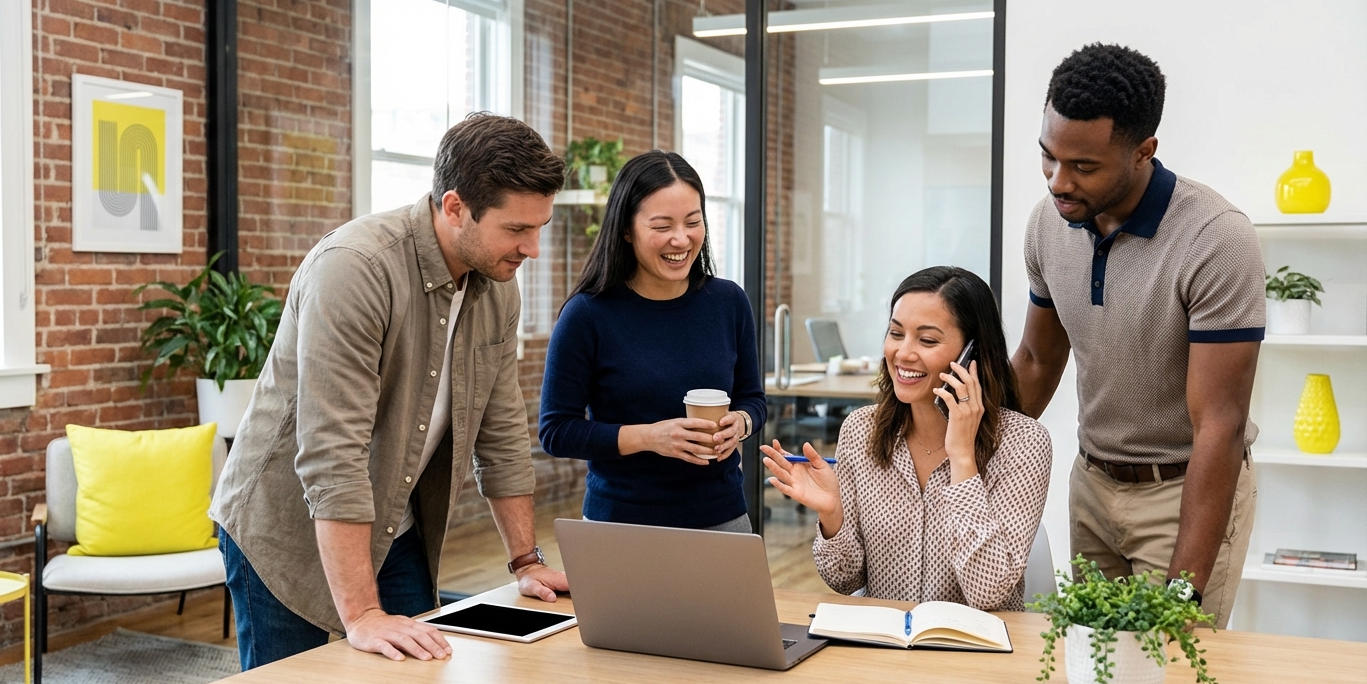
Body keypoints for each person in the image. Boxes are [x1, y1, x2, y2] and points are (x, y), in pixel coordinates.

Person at [209, 113, 570, 684]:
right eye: (517, 228)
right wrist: (362, 615)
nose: (532, 249)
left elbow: (503, 428)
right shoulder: (355, 268)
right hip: (282, 526)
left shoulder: (497, 288)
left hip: (395, 524)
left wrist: (526, 560)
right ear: (455, 207)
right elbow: (332, 452)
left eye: (539, 227)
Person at [1010, 44, 1264, 629]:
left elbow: (1219, 427)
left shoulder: (1215, 240)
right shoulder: (1049, 224)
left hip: (1183, 493)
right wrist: (963, 453)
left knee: (1168, 671)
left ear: (1144, 150)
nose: (1058, 181)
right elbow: (1037, 361)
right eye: (1048, 157)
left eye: (1084, 167)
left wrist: (1183, 591)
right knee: (1092, 667)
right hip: (1093, 484)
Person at [761, 267, 1052, 611]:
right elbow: (844, 580)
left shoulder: (1024, 442)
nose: (903, 353)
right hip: (886, 649)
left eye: (927, 340)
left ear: (972, 354)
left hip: (975, 652)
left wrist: (962, 459)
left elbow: (988, 593)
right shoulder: (861, 430)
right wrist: (832, 516)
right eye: (896, 333)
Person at [537, 150, 765, 531]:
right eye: (662, 226)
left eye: (693, 222)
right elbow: (557, 431)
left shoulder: (728, 302)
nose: (681, 238)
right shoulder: (588, 314)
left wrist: (740, 423)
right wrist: (651, 437)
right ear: (626, 229)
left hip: (723, 517)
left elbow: (753, 399)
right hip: (621, 524)